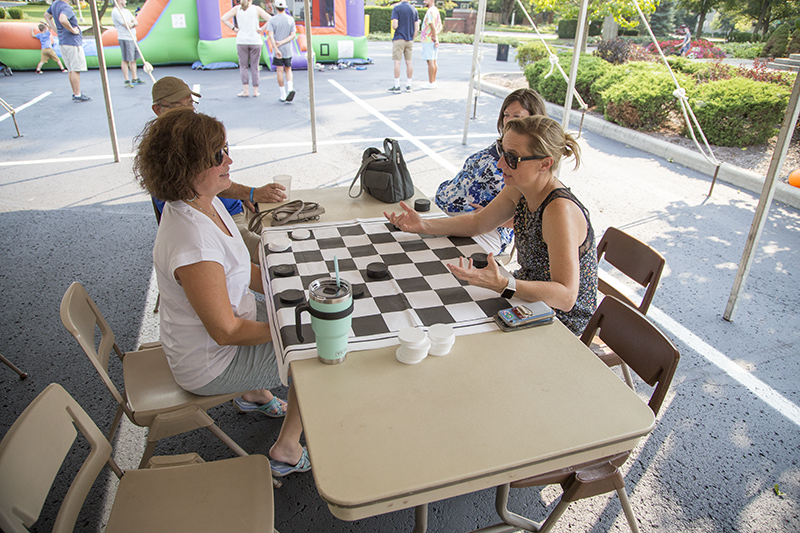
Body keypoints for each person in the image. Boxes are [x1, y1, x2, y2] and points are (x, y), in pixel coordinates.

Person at [133, 109, 310, 477]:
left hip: (217, 335)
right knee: (315, 354)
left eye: (226, 149)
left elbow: (241, 271)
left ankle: (253, 393)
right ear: (188, 168)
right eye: (218, 156)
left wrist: (296, 288)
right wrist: (299, 331)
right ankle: (287, 448)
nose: (230, 160)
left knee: (297, 317)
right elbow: (226, 331)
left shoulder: (204, 202)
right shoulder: (192, 243)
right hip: (209, 362)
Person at [387, 115, 598, 335]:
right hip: (527, 298)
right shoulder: (521, 186)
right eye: (502, 152)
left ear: (545, 164)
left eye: (512, 158)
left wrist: (503, 284)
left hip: (559, 321)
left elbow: (566, 297)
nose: (500, 164)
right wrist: (424, 225)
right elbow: (479, 223)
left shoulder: (559, 210)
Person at [150, 76, 287, 262]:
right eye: (179, 106)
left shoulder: (209, 200)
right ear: (158, 110)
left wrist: (244, 195)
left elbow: (214, 180)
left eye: (191, 103)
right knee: (279, 256)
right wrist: (251, 193)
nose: (229, 160)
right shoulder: (195, 224)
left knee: (292, 230)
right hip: (224, 219)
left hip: (230, 210)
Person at [435, 88, 547, 256]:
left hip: (485, 228)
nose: (508, 121)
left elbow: (533, 218)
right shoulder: (501, 145)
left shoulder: (531, 165)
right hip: (453, 211)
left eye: (516, 116)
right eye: (506, 115)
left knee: (439, 256)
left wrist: (489, 218)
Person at [221, 0, 271, 98]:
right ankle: (256, 90)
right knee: (255, 66)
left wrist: (234, 29)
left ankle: (245, 90)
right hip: (255, 40)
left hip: (242, 40)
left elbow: (224, 18)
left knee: (243, 66)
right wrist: (261, 29)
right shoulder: (256, 9)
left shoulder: (237, 9)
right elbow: (270, 19)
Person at [44, 0, 90, 102]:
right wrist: (73, 30)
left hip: (63, 42)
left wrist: (56, 30)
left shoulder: (55, 4)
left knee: (70, 69)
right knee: (75, 69)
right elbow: (63, 19)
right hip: (72, 42)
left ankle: (75, 92)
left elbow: (46, 16)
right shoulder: (66, 8)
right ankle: (78, 94)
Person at [266, 0, 297, 102]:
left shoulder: (272, 20)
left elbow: (270, 35)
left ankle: (282, 94)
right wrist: (283, 42)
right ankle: (290, 88)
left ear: (275, 7)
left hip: (277, 49)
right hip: (287, 49)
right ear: (285, 7)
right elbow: (293, 35)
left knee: (280, 71)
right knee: (288, 69)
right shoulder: (290, 19)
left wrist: (276, 46)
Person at [388, 0, 419, 93]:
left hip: (399, 38)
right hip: (409, 40)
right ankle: (409, 85)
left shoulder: (397, 8)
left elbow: (394, 25)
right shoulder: (414, 9)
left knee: (397, 62)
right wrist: (411, 38)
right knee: (409, 62)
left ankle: (397, 86)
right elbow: (417, 28)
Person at [112, 0, 144, 89]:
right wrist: (131, 24)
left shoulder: (126, 11)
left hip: (133, 37)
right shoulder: (116, 12)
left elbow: (135, 22)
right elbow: (127, 25)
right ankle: (126, 80)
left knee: (133, 59)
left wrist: (132, 24)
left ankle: (135, 78)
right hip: (125, 38)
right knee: (126, 59)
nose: (125, 1)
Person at [419, 0, 442, 90]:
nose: (424, 1)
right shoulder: (436, 10)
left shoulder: (430, 11)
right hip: (432, 39)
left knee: (430, 61)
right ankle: (433, 81)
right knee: (434, 61)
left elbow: (432, 25)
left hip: (428, 40)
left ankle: (430, 82)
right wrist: (436, 36)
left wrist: (434, 37)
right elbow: (440, 25)